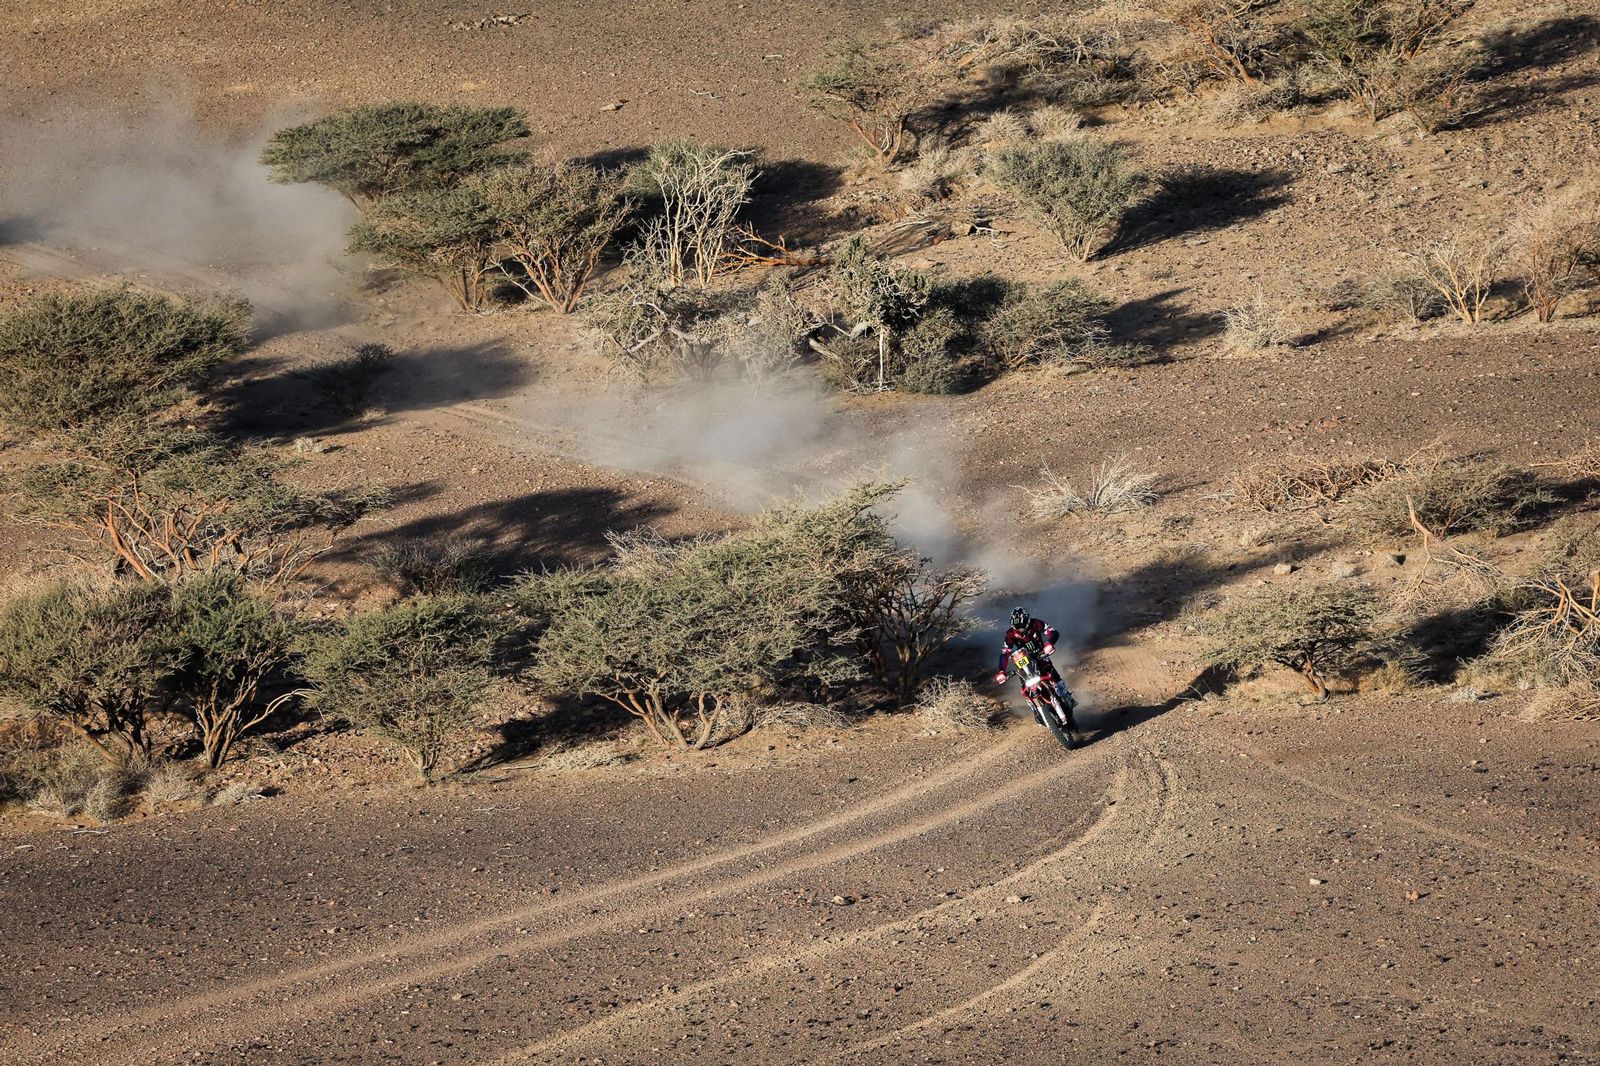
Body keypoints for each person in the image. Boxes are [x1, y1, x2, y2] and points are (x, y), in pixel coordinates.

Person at [994, 606, 1075, 712]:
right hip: (1024, 662)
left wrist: (1049, 643)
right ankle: (1035, 709)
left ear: (1027, 620)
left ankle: (1065, 694)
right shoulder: (1010, 634)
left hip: (1040, 655)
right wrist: (1001, 671)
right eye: (1017, 626)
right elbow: (1005, 652)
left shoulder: (1036, 623)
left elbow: (1052, 632)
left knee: (1051, 671)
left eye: (1022, 625)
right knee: (1025, 684)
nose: (1020, 628)